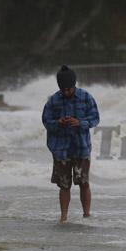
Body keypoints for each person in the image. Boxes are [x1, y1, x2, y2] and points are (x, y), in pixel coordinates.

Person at [42, 66, 100, 222]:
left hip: (81, 148)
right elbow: (46, 122)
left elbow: (95, 119)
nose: (66, 92)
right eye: (63, 89)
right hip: (60, 149)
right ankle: (63, 217)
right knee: (64, 185)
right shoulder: (53, 100)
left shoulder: (86, 97)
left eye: (69, 89)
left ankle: (86, 214)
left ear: (74, 85)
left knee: (84, 183)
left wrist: (80, 122)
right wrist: (58, 122)